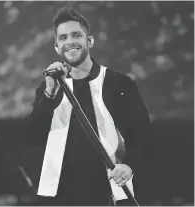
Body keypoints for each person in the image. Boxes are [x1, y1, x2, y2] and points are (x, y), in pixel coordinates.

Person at [26, 7, 150, 206]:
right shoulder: (49, 88)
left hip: (107, 192)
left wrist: (129, 166)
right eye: (63, 38)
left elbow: (142, 134)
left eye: (76, 35)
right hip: (60, 196)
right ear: (57, 47)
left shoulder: (119, 83)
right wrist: (49, 95)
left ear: (89, 41)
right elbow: (32, 136)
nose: (69, 42)